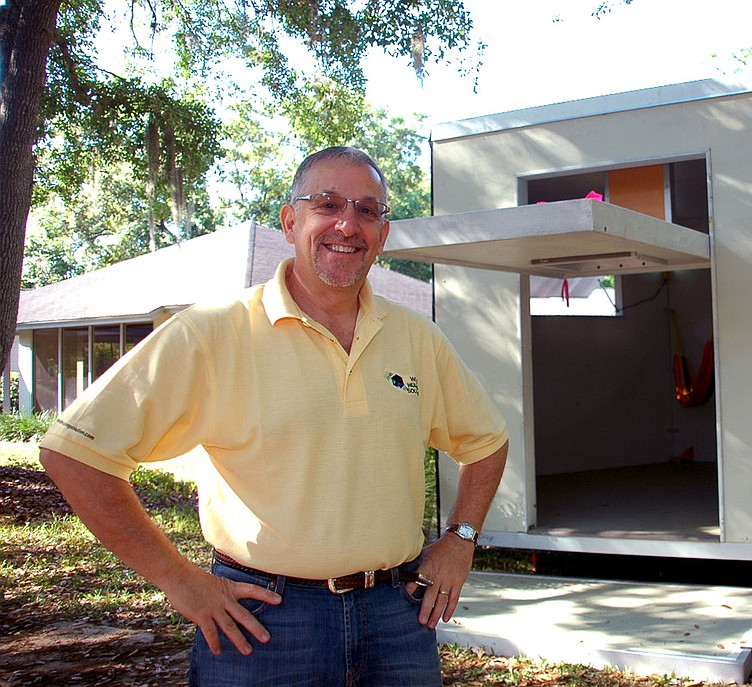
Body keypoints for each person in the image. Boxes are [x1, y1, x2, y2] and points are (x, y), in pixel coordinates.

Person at [39, 146, 509, 686]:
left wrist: (462, 537)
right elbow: (75, 453)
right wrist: (178, 580)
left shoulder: (417, 339)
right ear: (291, 221)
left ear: (383, 233)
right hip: (264, 625)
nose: (346, 224)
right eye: (326, 204)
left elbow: (487, 440)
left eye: (366, 210)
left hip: (397, 618)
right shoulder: (211, 334)